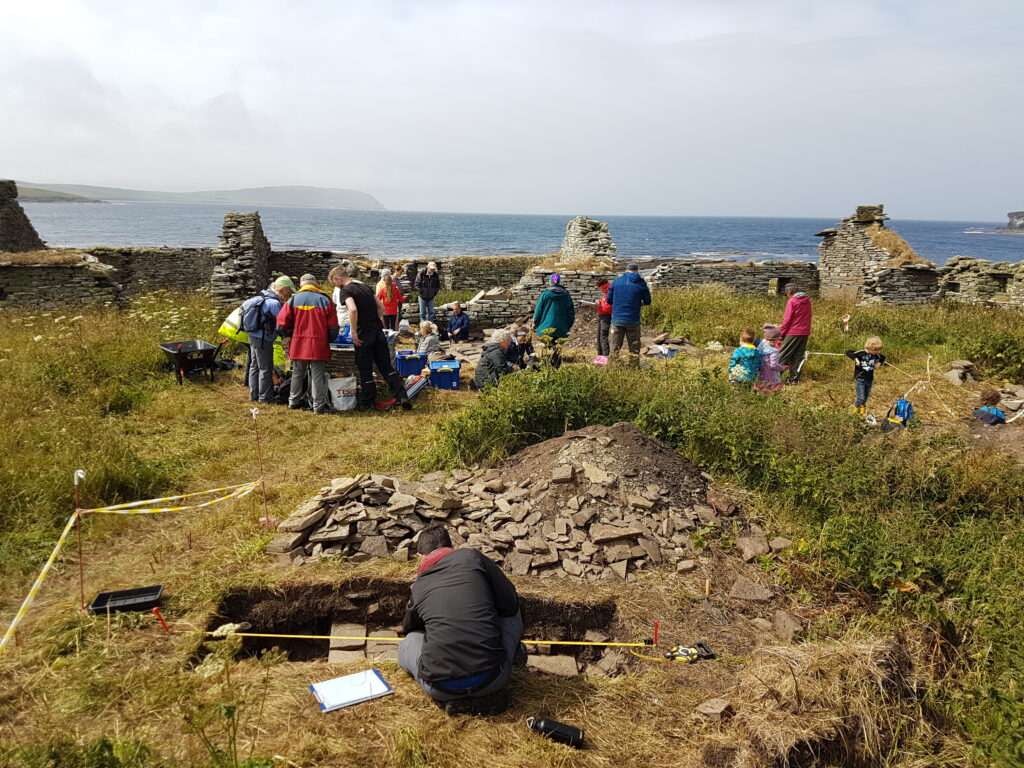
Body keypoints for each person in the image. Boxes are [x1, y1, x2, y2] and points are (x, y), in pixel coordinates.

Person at [398, 525, 525, 714]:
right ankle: (515, 655)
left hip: (440, 687)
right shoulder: (472, 557)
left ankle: (454, 701)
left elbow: (410, 628)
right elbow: (510, 602)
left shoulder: (419, 585)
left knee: (409, 642)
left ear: (420, 557)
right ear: (451, 548)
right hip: (493, 678)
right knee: (514, 613)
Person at [328, 265, 412, 411]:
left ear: (338, 279)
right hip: (377, 331)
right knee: (386, 367)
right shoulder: (365, 287)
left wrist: (353, 331)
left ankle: (368, 402)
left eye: (334, 283)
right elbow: (381, 307)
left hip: (363, 334)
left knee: (365, 369)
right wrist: (376, 319)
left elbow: (352, 309)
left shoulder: (345, 291)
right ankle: (401, 396)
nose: (336, 286)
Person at [276, 274, 339, 414]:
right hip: (318, 345)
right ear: (315, 285)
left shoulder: (293, 300)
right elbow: (333, 328)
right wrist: (328, 340)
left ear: (301, 285)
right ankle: (318, 406)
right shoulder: (325, 300)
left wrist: (288, 334)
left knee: (297, 374)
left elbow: (281, 323)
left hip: (298, 344)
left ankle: (293, 402)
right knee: (318, 376)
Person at [241, 276, 295, 403]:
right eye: (289, 291)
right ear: (283, 289)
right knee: (266, 368)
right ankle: (265, 398)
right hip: (264, 339)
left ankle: (254, 395)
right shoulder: (274, 303)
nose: (290, 294)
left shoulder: (260, 298)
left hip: (252, 335)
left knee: (255, 366)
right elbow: (281, 323)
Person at [605, 263, 652, 364]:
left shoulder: (616, 281)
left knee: (615, 347)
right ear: (637, 270)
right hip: (633, 320)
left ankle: (613, 368)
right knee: (634, 348)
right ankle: (634, 368)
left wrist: (618, 302)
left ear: (626, 270)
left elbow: (608, 300)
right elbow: (648, 301)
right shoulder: (641, 283)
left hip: (617, 319)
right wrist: (637, 303)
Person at [532, 273, 575, 367]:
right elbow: (571, 312)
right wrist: (568, 326)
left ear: (550, 281)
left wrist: (536, 324)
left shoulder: (545, 295)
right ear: (559, 281)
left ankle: (545, 367)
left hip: (545, 328)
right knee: (557, 350)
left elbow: (538, 311)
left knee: (546, 349)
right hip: (561, 329)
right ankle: (556, 366)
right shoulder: (566, 295)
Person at [779, 284, 812, 384]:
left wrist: (781, 333)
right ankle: (794, 379)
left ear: (790, 292)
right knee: (798, 356)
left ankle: (774, 378)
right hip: (804, 332)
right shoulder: (807, 301)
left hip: (793, 332)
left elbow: (787, 319)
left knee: (783, 355)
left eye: (787, 294)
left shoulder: (792, 301)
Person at [845, 337, 886, 415]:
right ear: (870, 347)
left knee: (865, 399)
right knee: (861, 398)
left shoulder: (875, 355)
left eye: (878, 351)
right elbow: (848, 352)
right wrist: (856, 359)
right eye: (875, 350)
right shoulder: (861, 353)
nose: (877, 352)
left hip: (869, 379)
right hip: (860, 379)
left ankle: (861, 414)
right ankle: (854, 413)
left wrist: (879, 363)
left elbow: (883, 357)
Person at [332, 264, 364, 342]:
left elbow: (335, 300)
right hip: (356, 319)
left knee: (342, 341)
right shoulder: (361, 285)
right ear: (358, 274)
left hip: (342, 318)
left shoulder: (337, 286)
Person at [754, 323, 786, 393]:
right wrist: (782, 367)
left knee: (760, 391)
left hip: (760, 374)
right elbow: (773, 365)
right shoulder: (773, 351)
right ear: (775, 339)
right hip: (771, 377)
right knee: (770, 392)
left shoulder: (761, 346)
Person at [594, 277, 613, 363]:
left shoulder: (610, 290)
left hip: (606, 316)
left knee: (603, 335)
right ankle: (600, 355)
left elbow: (608, 306)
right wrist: (600, 303)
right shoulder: (606, 291)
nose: (600, 290)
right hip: (602, 315)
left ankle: (605, 356)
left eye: (600, 288)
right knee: (599, 335)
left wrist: (599, 305)